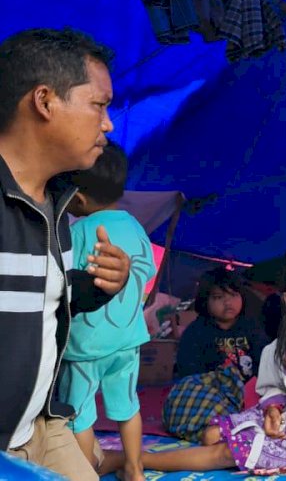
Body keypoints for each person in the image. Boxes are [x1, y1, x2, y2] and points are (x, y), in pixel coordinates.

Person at [0, 28, 131, 480]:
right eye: (99, 104)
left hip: (42, 425)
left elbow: (32, 297)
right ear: (44, 101)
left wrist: (96, 287)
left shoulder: (58, 204)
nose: (108, 123)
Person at [113, 250, 286, 480]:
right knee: (210, 434)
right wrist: (272, 410)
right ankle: (132, 459)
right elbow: (273, 388)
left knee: (225, 452)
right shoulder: (276, 348)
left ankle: (134, 460)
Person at [58, 142, 155, 481]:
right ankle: (135, 468)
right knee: (128, 406)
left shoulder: (76, 232)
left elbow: (63, 283)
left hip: (85, 347)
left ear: (77, 198)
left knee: (80, 415)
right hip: (128, 339)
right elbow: (148, 269)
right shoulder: (133, 224)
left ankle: (85, 474)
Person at [174, 267, 268, 381]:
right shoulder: (195, 333)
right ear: (205, 300)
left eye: (233, 295)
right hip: (210, 393)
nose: (228, 302)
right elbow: (189, 372)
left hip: (250, 392)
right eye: (218, 297)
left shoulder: (252, 328)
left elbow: (265, 364)